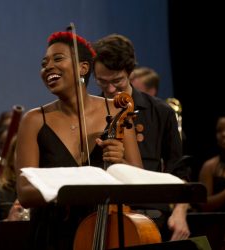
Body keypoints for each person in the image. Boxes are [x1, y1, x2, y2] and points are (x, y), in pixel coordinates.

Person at [15, 31, 142, 250]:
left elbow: (138, 182)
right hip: (51, 235)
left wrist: (120, 162)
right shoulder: (33, 120)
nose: (48, 67)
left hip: (105, 229)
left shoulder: (116, 110)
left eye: (58, 59)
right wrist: (76, 184)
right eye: (44, 63)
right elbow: (25, 192)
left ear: (83, 67)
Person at [92, 33, 191, 241]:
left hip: (150, 212)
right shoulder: (89, 112)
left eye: (117, 81)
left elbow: (179, 168)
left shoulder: (160, 111)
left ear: (130, 72)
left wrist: (180, 213)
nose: (110, 90)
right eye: (102, 82)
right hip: (101, 215)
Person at [198, 114, 225, 249]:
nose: (223, 134)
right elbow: (205, 205)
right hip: (216, 232)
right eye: (219, 131)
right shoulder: (209, 167)